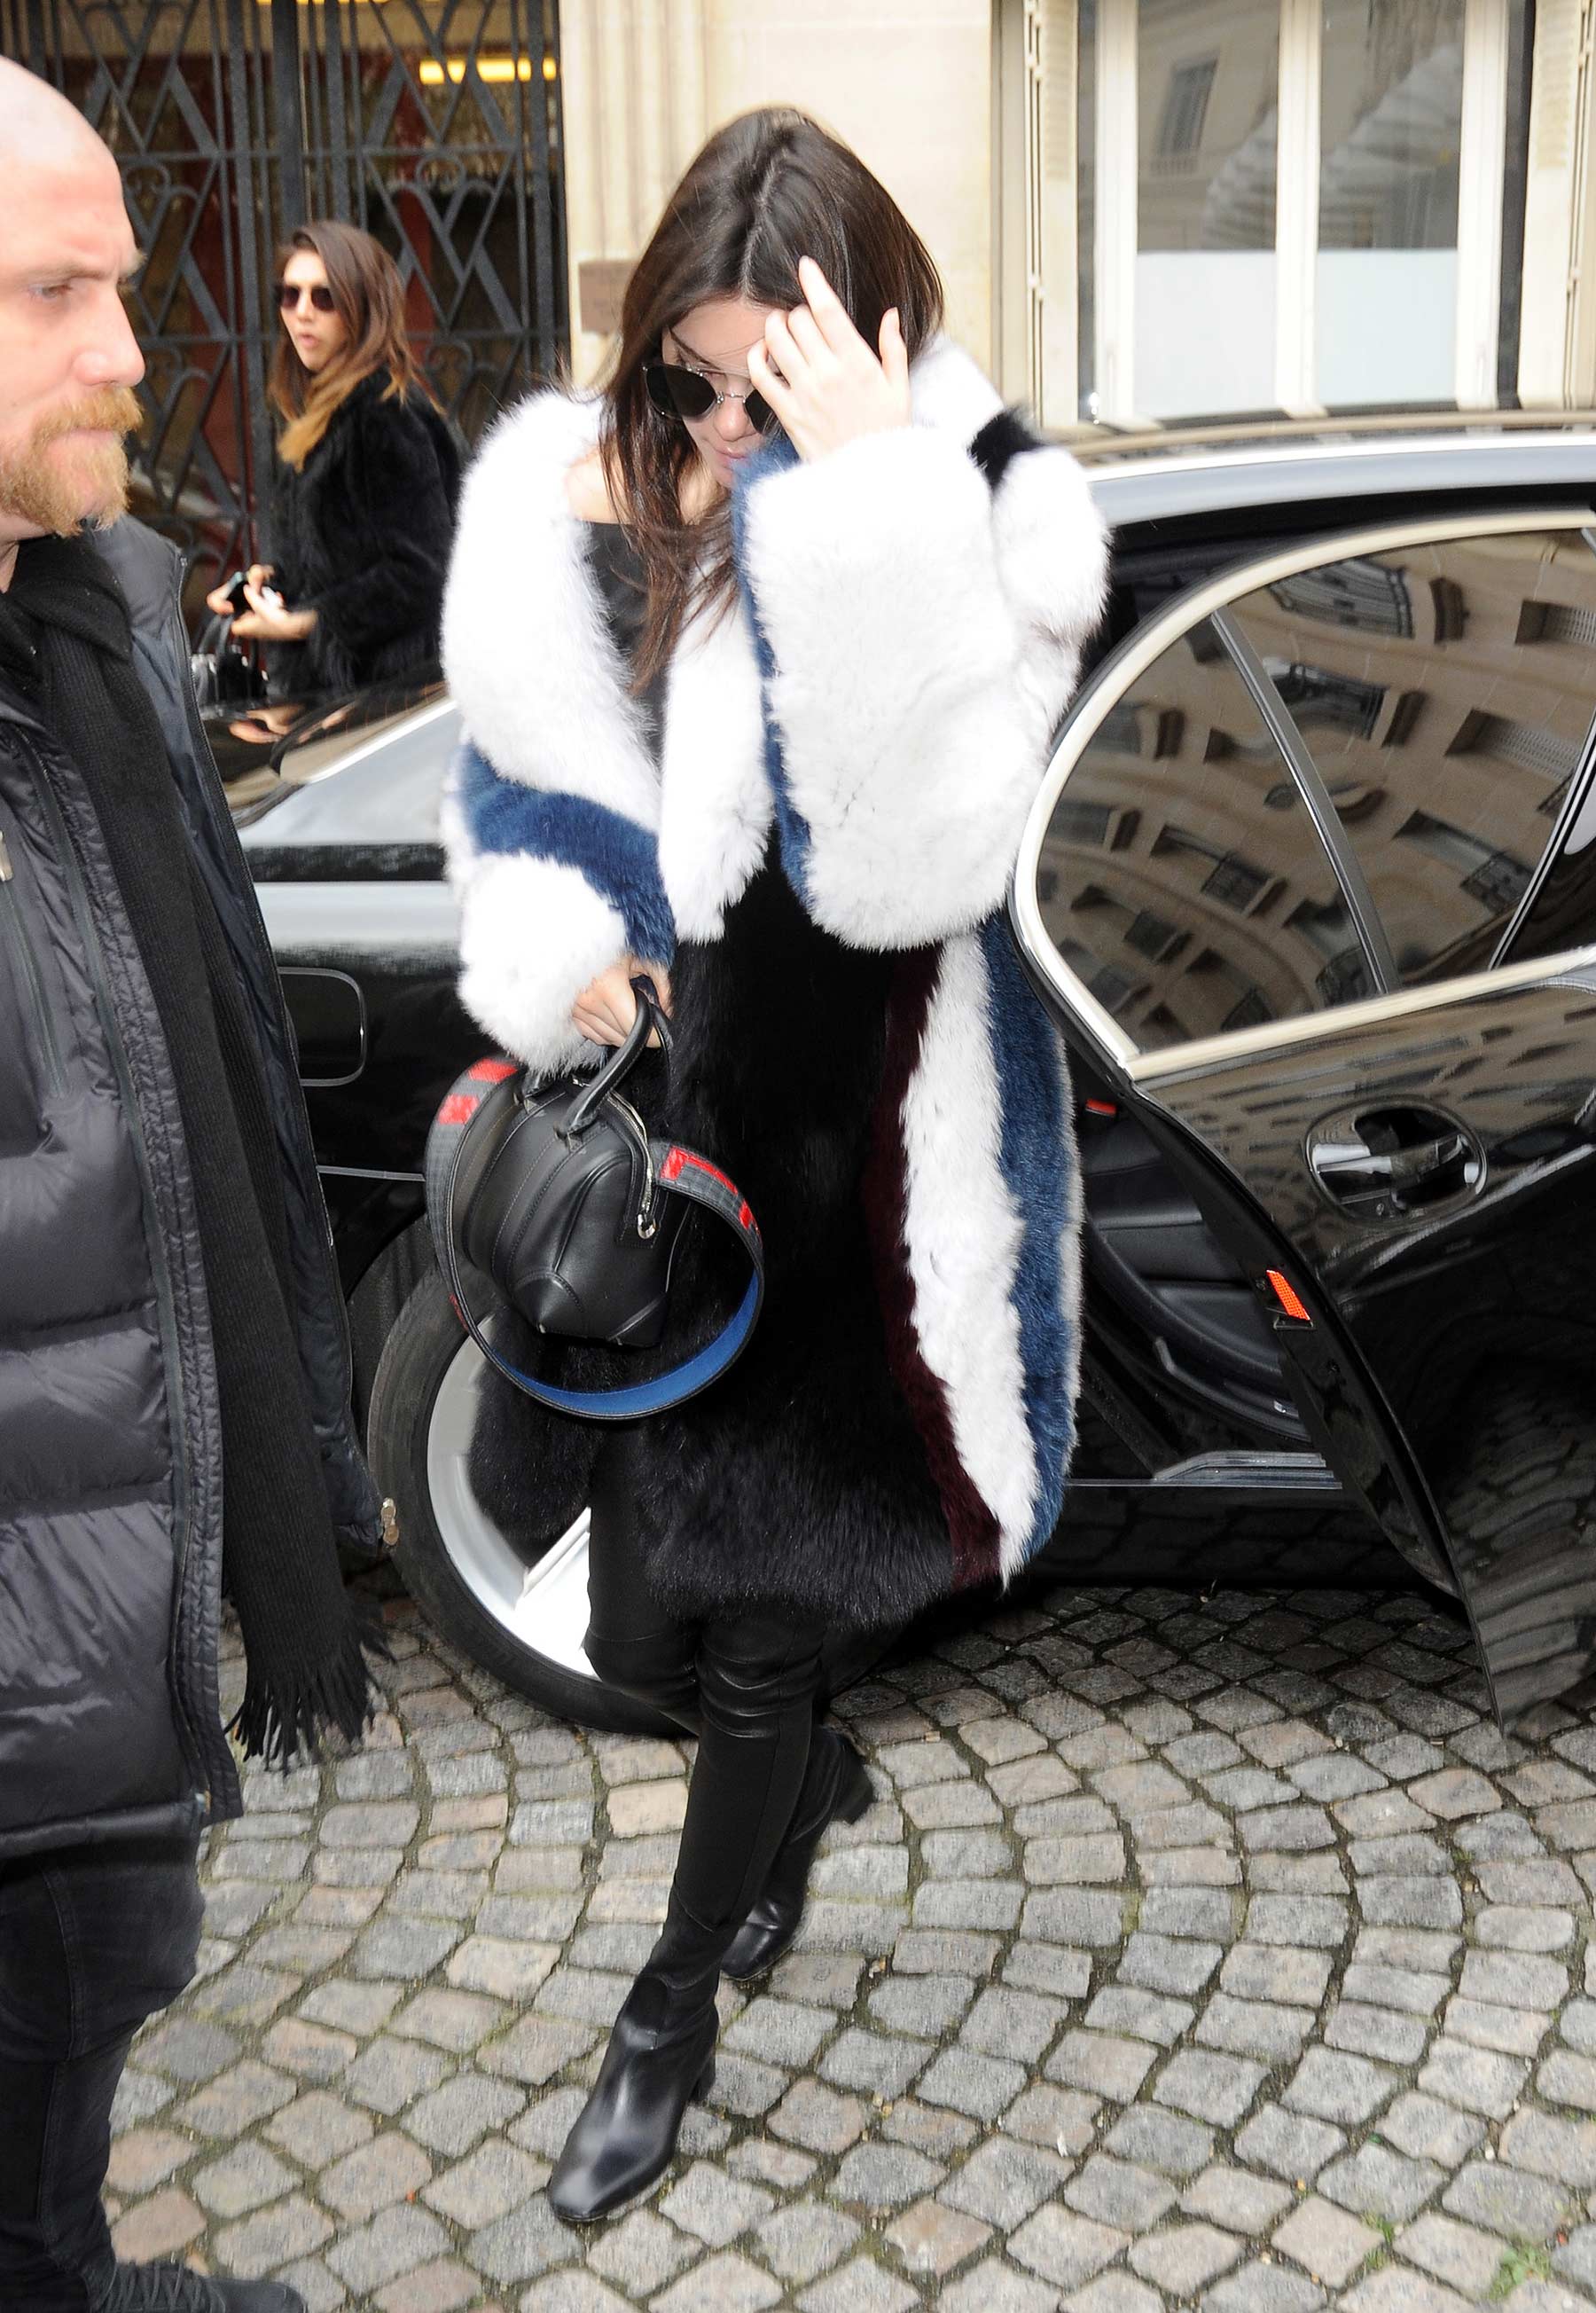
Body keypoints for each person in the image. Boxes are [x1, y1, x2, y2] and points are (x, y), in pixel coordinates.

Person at [441, 106, 1108, 2220]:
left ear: (867, 343)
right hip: (661, 1175)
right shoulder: (588, 509)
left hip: (862, 1188)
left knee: (750, 1630)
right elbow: (518, 813)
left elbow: (915, 864)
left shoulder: (985, 516)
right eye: (689, 382)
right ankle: (798, 1776)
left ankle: (667, 2012)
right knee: (638, 1637)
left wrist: (873, 503)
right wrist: (570, 962)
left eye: (767, 385)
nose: (723, 427)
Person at [0, 62, 385, 2313]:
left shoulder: (96, 631)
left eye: (124, 287)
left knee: (70, 2071)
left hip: (104, 1647)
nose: (134, 350)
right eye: (54, 291)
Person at [207, 220, 460, 699]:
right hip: (341, 699)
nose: (303, 313)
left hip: (384, 703)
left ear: (362, 308)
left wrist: (305, 622)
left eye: (324, 298)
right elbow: (347, 559)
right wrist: (269, 583)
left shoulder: (385, 416)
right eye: (290, 295)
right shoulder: (324, 411)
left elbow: (421, 575)